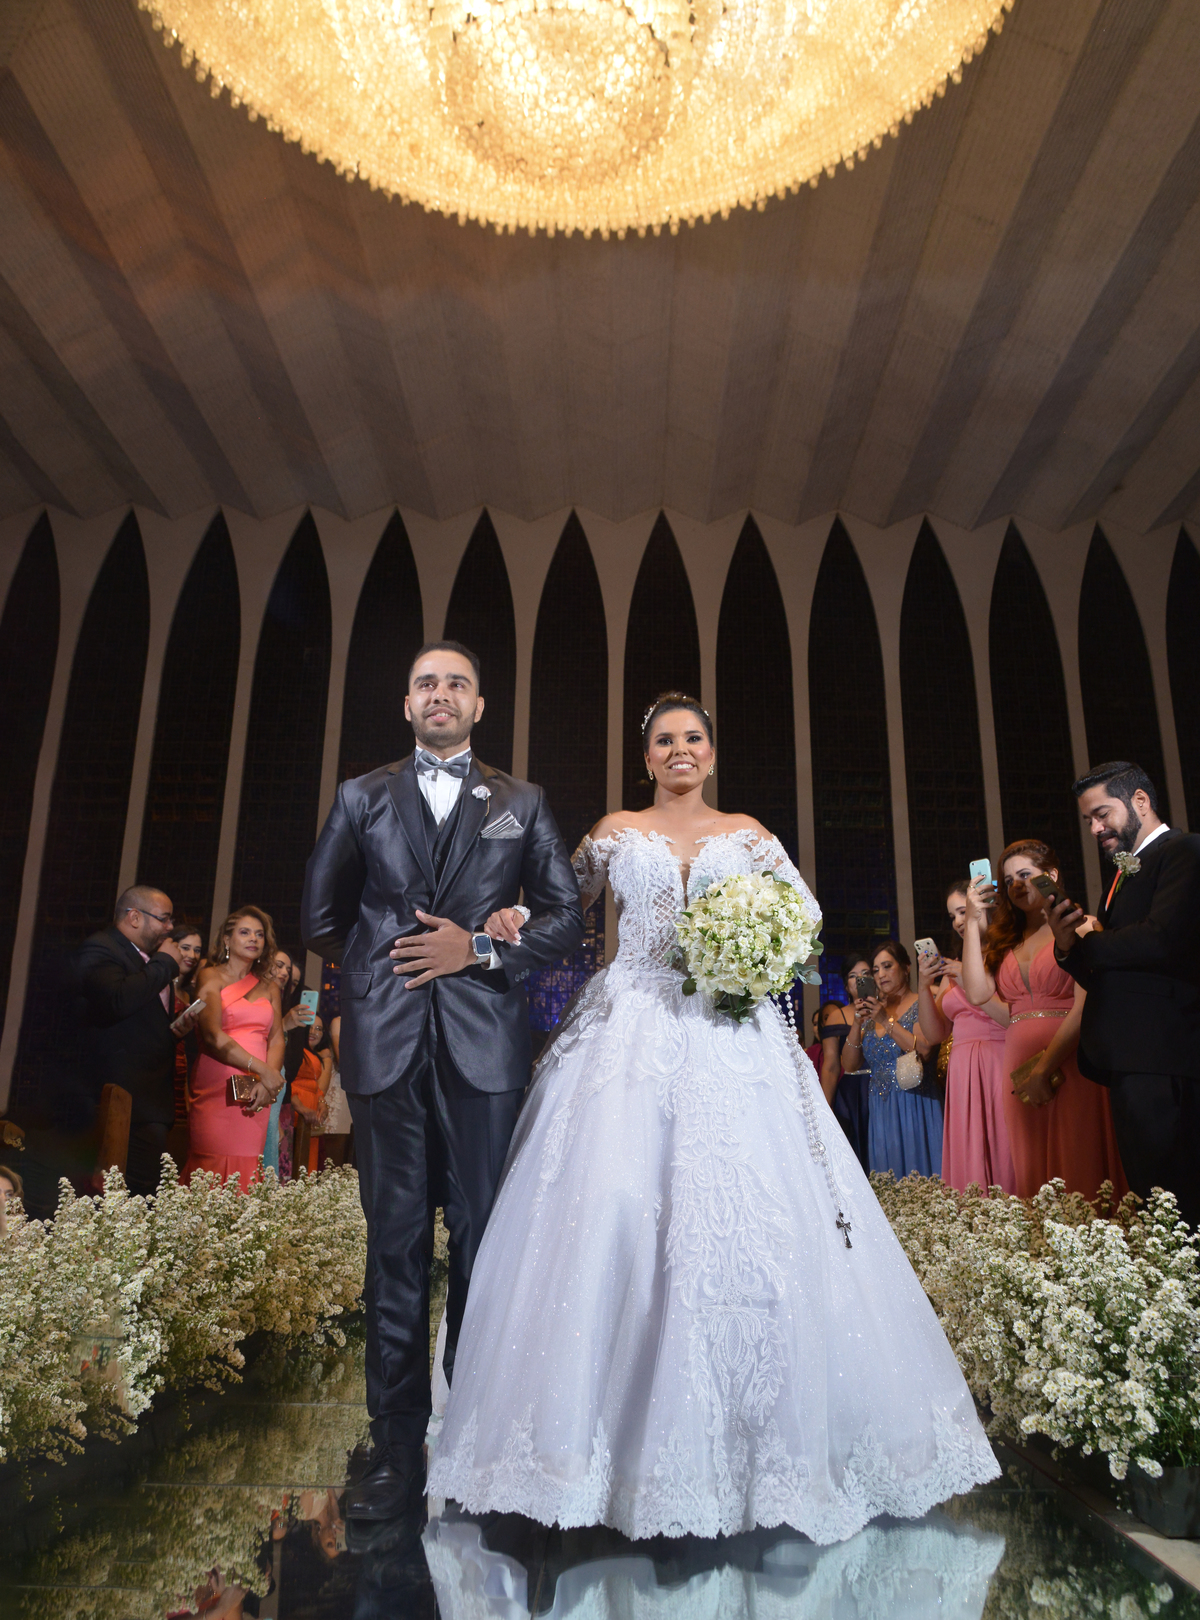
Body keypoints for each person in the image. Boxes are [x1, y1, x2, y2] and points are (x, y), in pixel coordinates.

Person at [427, 693, 998, 1541]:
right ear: (646, 757)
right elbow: (560, 906)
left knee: (751, 1219)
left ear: (712, 752)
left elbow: (803, 924)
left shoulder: (751, 833)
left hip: (729, 1030)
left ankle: (761, 1449)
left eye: (693, 738)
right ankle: (584, 1457)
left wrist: (753, 952)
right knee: (614, 1208)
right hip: (632, 1022)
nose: (680, 750)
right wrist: (508, 918)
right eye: (664, 740)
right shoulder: (615, 830)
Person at [301, 640, 584, 1521]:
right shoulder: (361, 796)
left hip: (484, 1046)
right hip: (387, 1042)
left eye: (456, 682)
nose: (441, 694)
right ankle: (393, 1448)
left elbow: (569, 917)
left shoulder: (521, 801)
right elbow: (318, 913)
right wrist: (388, 958)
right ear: (408, 702)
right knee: (393, 1246)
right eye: (426, 681)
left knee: (482, 1237)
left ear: (479, 704)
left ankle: (476, 1429)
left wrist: (482, 946)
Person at [1046, 762, 1200, 1229]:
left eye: (1101, 814)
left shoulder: (1185, 851)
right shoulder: (1119, 875)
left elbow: (1161, 939)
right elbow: (1105, 973)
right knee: (1154, 1200)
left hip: (1168, 1055)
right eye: (1088, 820)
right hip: (1131, 1056)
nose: (1095, 828)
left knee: (1179, 1198)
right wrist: (1068, 944)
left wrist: (1091, 940)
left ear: (1139, 801)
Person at [961, 841, 1126, 1203]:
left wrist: (1044, 1069)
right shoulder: (1005, 941)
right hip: (1019, 1073)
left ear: (1051, 875)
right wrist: (974, 922)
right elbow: (975, 993)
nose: (1016, 885)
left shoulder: (1081, 927)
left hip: (1073, 1065)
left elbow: (1088, 1006)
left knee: (1079, 1165)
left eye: (1025, 875)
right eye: (1008, 881)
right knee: (1033, 1171)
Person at [74, 886, 199, 1196]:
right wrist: (165, 964)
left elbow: (140, 1016)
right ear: (133, 917)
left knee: (143, 1199)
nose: (170, 928)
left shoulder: (149, 959)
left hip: (150, 1103)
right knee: (111, 1200)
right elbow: (117, 1000)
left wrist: (173, 1029)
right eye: (164, 919)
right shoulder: (101, 949)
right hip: (117, 1102)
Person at [917, 885, 1014, 1194]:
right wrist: (923, 985)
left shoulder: (1009, 956)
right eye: (953, 916)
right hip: (960, 1070)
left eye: (964, 911)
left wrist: (967, 975)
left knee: (1002, 1144)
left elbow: (1012, 1019)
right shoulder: (953, 967)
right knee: (967, 1148)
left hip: (997, 1061)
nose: (959, 921)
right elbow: (934, 1034)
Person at [182, 907, 285, 1192]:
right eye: (245, 932)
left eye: (259, 934)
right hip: (218, 1084)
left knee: (249, 1162)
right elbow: (212, 1036)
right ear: (227, 940)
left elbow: (276, 1039)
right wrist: (264, 1070)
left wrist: (268, 1080)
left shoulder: (270, 986)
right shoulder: (209, 976)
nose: (254, 939)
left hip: (257, 1087)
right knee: (211, 1164)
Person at [841, 941, 941, 1178]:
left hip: (916, 1106)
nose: (881, 974)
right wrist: (857, 1022)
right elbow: (849, 1065)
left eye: (887, 966)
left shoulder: (920, 1002)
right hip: (881, 1110)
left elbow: (924, 1050)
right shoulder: (874, 1009)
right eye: (875, 970)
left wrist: (886, 1021)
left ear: (906, 968)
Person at [818, 957, 872, 1174]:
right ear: (846, 985)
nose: (860, 980)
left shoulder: (889, 1011)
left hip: (882, 1085)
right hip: (852, 1092)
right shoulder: (836, 1016)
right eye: (853, 976)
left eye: (866, 974)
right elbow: (830, 1065)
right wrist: (825, 1107)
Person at [290, 1014, 333, 1174]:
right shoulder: (293, 1050)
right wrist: (300, 1107)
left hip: (311, 1121)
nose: (313, 1031)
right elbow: (286, 1082)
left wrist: (322, 1103)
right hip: (295, 1116)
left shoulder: (316, 1055)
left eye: (319, 1028)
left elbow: (316, 1088)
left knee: (308, 1168)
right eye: (310, 1026)